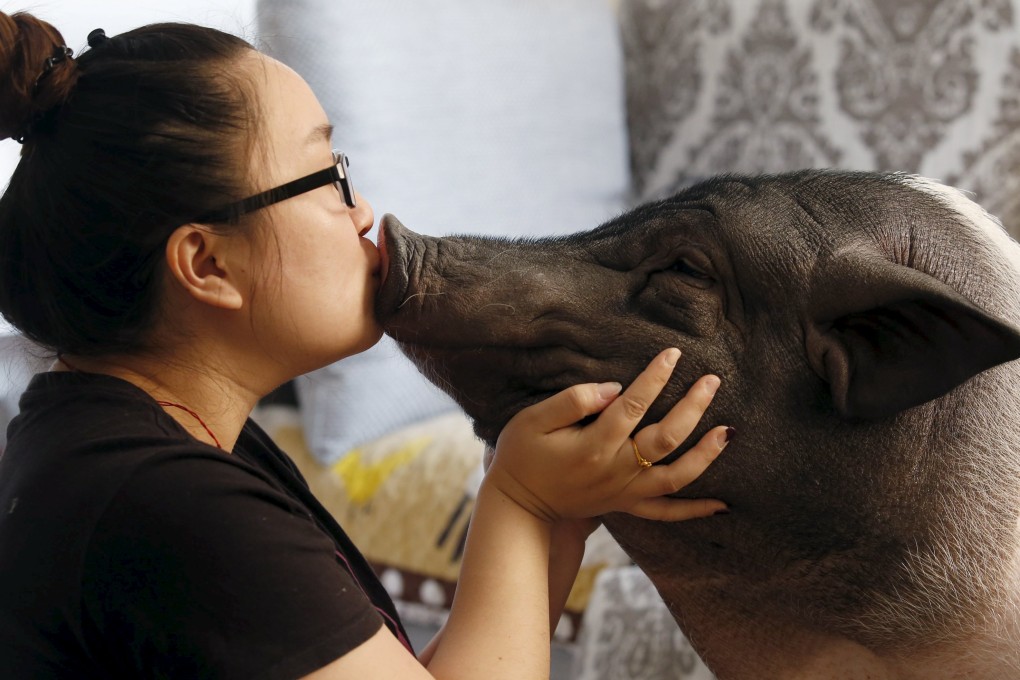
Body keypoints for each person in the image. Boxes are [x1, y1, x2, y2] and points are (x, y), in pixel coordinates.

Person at [0, 13, 733, 679]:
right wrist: (522, 501)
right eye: (330, 176)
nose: (364, 213)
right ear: (207, 264)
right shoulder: (166, 504)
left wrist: (561, 511)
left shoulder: (128, 443)